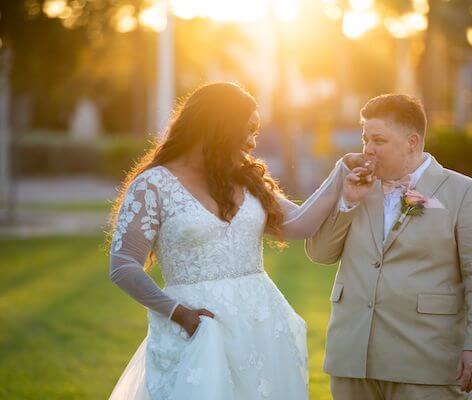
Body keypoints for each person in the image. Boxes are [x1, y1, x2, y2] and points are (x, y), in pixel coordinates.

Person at [107, 82, 358, 399]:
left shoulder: (245, 179)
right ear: (220, 126)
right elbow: (123, 265)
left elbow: (299, 223)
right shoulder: (152, 185)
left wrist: (340, 173)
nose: (254, 141)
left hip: (259, 323)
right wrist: (178, 313)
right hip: (195, 328)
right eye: (249, 129)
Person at [305, 94, 472, 400]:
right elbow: (319, 254)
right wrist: (346, 203)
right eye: (365, 139)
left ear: (412, 142)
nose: (367, 149)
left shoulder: (464, 193)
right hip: (352, 359)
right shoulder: (356, 185)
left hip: (425, 361)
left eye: (379, 140)